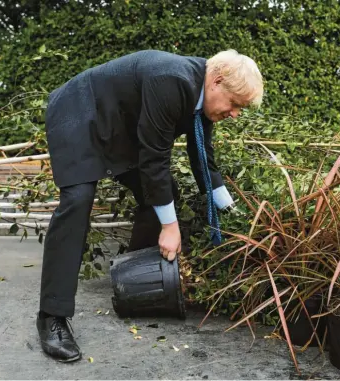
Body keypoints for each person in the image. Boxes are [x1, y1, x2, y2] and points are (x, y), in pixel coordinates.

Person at [36, 49, 264, 362]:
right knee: (77, 199)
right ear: (218, 82)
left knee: (163, 191)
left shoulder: (202, 97)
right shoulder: (171, 80)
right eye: (235, 103)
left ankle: (130, 275)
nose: (236, 113)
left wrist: (236, 214)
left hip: (119, 125)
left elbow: (202, 156)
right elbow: (154, 159)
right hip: (78, 112)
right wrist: (170, 228)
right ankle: (52, 316)